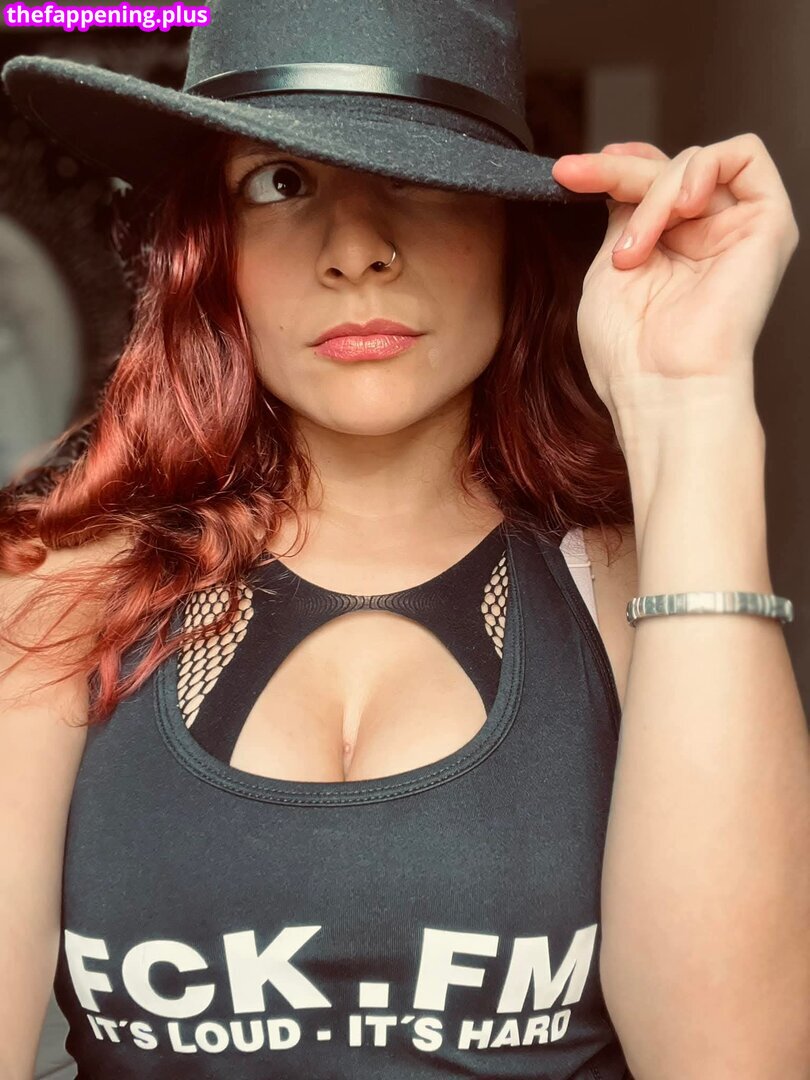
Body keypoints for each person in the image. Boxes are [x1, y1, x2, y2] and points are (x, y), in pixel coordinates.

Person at [1, 1, 805, 1078]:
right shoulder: (54, 600)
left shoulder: (627, 590)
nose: (357, 252)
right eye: (280, 183)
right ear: (209, 247)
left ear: (507, 227)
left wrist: (689, 401)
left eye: (419, 175)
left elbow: (734, 1063)